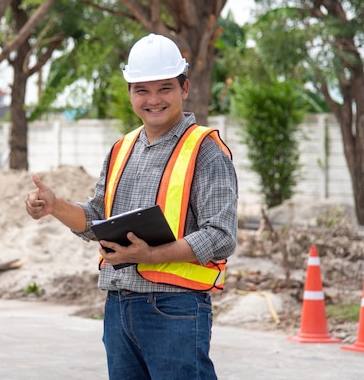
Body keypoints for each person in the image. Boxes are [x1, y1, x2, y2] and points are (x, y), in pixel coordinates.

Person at [24, 33, 238, 380]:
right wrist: (55, 206)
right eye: (142, 90)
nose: (153, 99)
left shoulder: (206, 150)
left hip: (175, 308)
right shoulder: (121, 149)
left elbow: (222, 236)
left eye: (164, 88)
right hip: (119, 305)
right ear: (130, 93)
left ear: (184, 88)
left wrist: (150, 255)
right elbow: (96, 218)